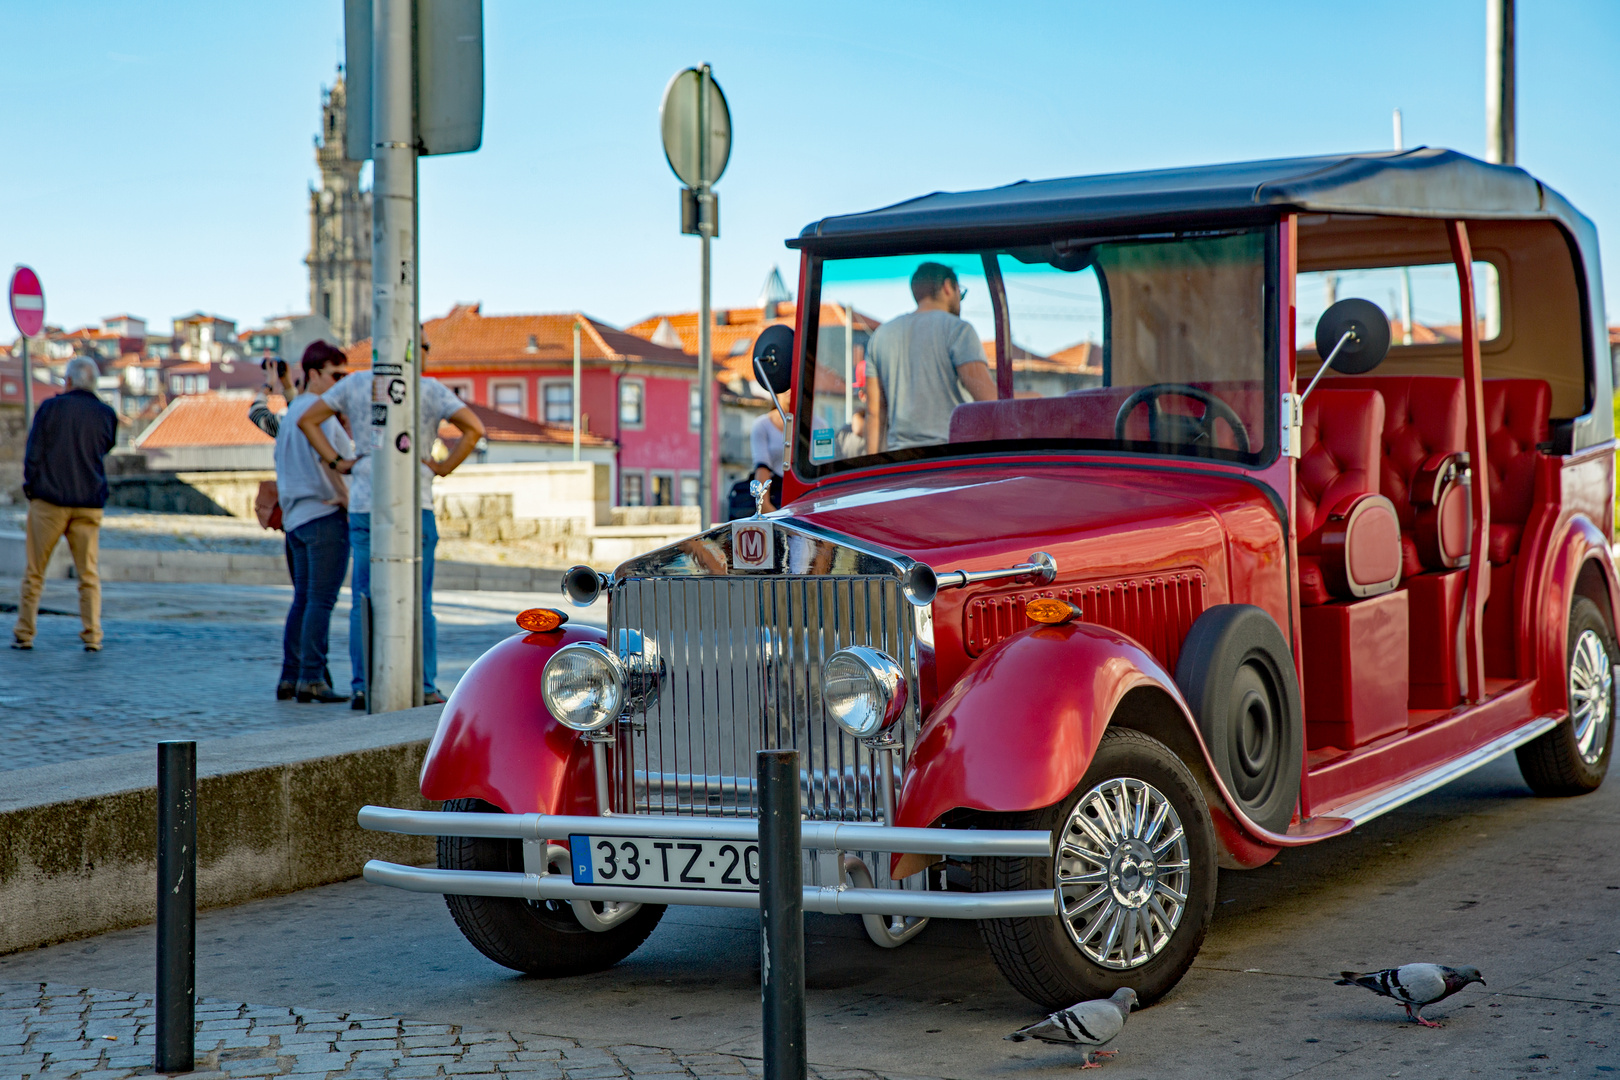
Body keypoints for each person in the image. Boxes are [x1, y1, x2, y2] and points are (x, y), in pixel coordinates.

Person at [298, 359, 486, 710]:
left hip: (367, 496)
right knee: (420, 596)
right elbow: (473, 428)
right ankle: (426, 685)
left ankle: (361, 685)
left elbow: (307, 419)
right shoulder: (428, 388)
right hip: (416, 499)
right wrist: (443, 467)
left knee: (363, 597)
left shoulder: (355, 383)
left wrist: (338, 461)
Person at [13, 357, 117, 651]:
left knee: (35, 571)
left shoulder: (50, 409)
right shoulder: (106, 414)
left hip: (50, 501)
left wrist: (32, 488)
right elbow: (105, 448)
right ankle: (92, 635)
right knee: (88, 574)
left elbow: (33, 454)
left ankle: (25, 632)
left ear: (68, 381)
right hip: (89, 503)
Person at [274, 344, 354, 703]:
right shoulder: (322, 415)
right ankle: (311, 678)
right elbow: (334, 461)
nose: (340, 383)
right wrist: (346, 498)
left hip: (295, 521)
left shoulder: (291, 415)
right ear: (314, 372)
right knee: (320, 602)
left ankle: (291, 676)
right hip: (323, 517)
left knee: (303, 600)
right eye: (336, 375)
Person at [864, 262, 997, 453]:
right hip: (950, 459)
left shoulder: (880, 336)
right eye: (961, 292)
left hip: (900, 462)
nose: (960, 299)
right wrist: (1035, 399)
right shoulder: (958, 330)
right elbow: (989, 400)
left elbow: (874, 413)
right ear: (948, 287)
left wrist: (872, 468)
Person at [749, 396, 788, 512]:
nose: (790, 391)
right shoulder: (761, 425)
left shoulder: (818, 424)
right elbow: (762, 466)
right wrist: (765, 505)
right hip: (776, 496)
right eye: (787, 387)